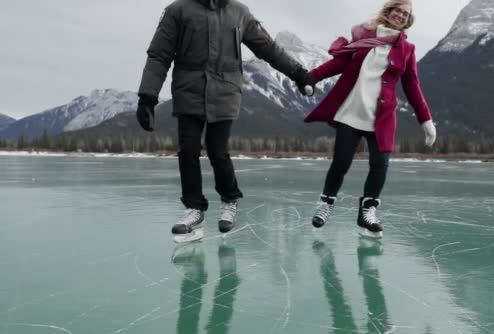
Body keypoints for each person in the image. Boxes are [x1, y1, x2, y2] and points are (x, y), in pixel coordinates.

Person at [135, 0, 315, 237]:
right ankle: (194, 208)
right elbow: (160, 54)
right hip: (189, 90)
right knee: (187, 149)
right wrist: (147, 96)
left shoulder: (238, 12)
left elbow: (267, 48)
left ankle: (230, 199)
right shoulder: (178, 11)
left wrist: (299, 73)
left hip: (225, 92)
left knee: (217, 149)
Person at [303, 0, 436, 237]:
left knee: (380, 166)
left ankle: (367, 211)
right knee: (341, 162)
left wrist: (426, 120)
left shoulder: (407, 49)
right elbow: (339, 64)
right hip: (352, 111)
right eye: (398, 10)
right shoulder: (365, 38)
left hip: (382, 117)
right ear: (389, 11)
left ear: (408, 20)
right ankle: (325, 203)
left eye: (406, 14)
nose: (401, 15)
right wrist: (310, 78)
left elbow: (413, 87)